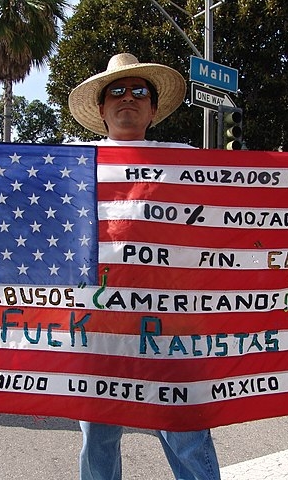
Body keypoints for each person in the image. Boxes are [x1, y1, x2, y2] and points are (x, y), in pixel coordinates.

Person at [68, 53, 220, 480]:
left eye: (139, 91)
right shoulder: (72, 161)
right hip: (98, 323)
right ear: (101, 109)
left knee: (185, 432)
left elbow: (242, 200)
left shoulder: (186, 158)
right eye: (116, 91)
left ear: (153, 108)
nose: (127, 98)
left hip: (171, 322)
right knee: (97, 436)